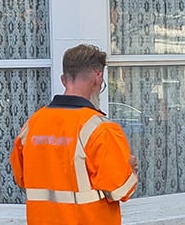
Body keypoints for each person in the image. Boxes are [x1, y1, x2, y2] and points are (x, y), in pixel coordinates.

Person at [10, 43, 138, 224]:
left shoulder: (32, 125)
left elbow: (22, 179)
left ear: (63, 79)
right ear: (97, 77)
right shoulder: (101, 129)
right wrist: (130, 168)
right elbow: (120, 190)